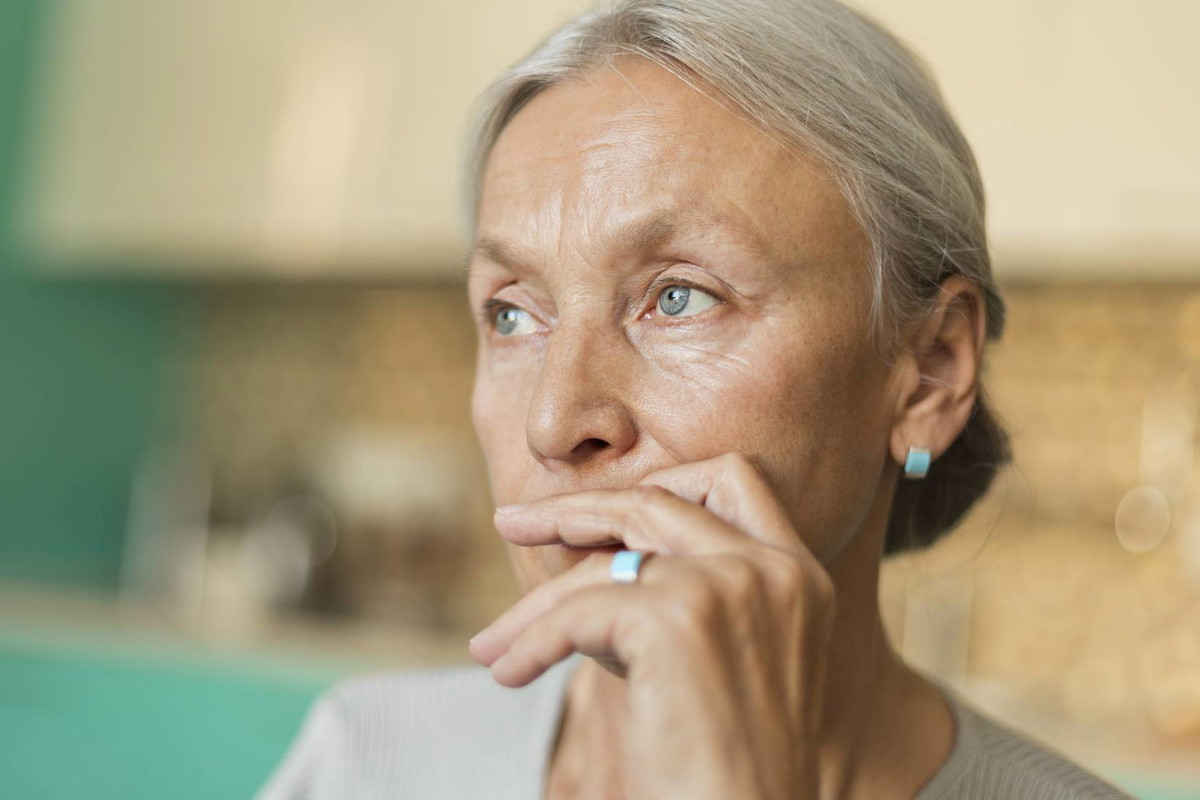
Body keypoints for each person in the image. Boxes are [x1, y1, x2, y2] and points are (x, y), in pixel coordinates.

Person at [257, 1, 1137, 797]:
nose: (554, 425)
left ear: (931, 371)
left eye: (679, 296)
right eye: (513, 312)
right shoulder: (365, 762)